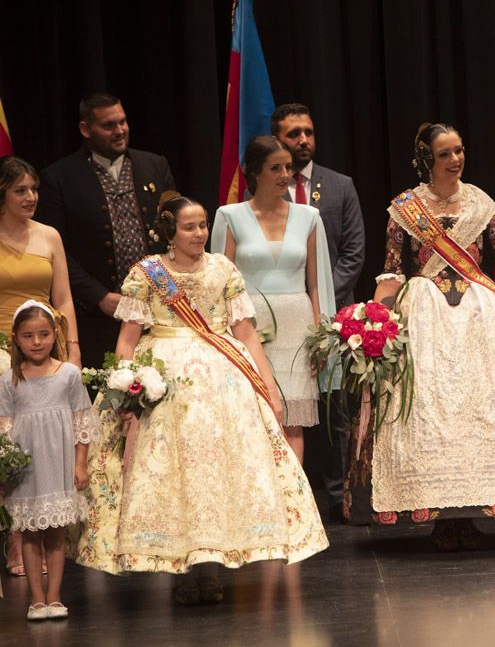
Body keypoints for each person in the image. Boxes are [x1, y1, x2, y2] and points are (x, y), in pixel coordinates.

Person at [76, 194, 328, 603]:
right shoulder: (148, 273)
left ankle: (210, 566)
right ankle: (179, 568)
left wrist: (268, 387)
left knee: (214, 472)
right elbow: (127, 339)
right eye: (190, 227)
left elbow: (244, 332)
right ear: (169, 232)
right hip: (164, 381)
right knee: (175, 473)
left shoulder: (223, 269)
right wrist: (122, 390)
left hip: (223, 380)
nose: (200, 233)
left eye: (203, 225)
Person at [346, 122, 495, 550]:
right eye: (445, 154)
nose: (456, 160)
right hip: (423, 310)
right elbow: (392, 270)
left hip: (480, 309)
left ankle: (476, 509)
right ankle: (439, 513)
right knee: (430, 407)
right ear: (426, 160)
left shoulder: (482, 203)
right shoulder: (405, 209)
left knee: (483, 404)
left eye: (459, 151)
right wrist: (373, 317)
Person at [212, 136, 336, 462]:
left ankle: (295, 506)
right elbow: (218, 284)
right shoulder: (229, 216)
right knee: (256, 419)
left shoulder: (309, 216)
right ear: (254, 172)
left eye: (289, 167)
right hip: (249, 328)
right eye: (275, 168)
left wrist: (322, 336)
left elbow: (317, 284)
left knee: (292, 423)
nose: (285, 174)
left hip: (298, 330)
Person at [271, 103, 364, 520]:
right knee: (290, 410)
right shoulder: (265, 192)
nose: (304, 140)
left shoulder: (340, 186)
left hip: (333, 318)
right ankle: (293, 498)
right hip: (280, 316)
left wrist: (323, 306)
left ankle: (338, 496)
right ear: (277, 140)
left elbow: (353, 252)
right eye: (294, 134)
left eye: (308, 132)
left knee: (334, 410)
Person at [36, 93, 175, 369]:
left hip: (158, 310)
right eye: (109, 125)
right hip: (97, 317)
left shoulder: (154, 165)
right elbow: (56, 252)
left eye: (123, 122)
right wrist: (98, 296)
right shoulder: (58, 178)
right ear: (86, 129)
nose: (120, 131)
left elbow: (175, 229)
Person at [0, 156, 82, 578]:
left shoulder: (48, 236)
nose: (31, 197)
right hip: (1, 346)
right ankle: (16, 537)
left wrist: (72, 349)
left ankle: (48, 533)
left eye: (33, 189)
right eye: (21, 191)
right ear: (3, 194)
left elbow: (63, 298)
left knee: (49, 433)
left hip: (44, 341)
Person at [0, 301, 91, 620]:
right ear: (16, 338)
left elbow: (82, 423)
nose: (36, 342)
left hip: (59, 463)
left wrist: (80, 465)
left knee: (55, 533)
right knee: (28, 532)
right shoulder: (9, 379)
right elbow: (4, 427)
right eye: (28, 336)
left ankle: (54, 597)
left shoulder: (68, 374)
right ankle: (36, 600)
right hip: (26, 468)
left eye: (43, 334)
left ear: (55, 335)